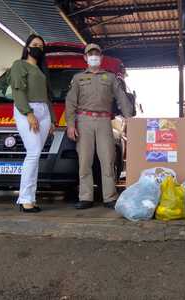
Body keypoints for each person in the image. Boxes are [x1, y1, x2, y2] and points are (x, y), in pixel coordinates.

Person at [65, 43, 133, 209]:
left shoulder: (110, 78)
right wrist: (70, 125)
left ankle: (109, 197)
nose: (93, 57)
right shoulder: (78, 78)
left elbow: (121, 98)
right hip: (83, 121)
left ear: (101, 58)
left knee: (107, 159)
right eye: (90, 54)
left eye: (96, 54)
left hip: (104, 121)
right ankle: (85, 197)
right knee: (85, 160)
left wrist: (129, 117)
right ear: (85, 58)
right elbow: (71, 102)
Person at [8, 34, 56, 213]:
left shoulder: (42, 71)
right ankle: (25, 199)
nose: (38, 48)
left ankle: (31, 198)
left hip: (44, 111)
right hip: (27, 109)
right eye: (35, 45)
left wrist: (52, 120)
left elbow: (48, 97)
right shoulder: (19, 65)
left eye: (41, 46)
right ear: (27, 47)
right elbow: (18, 91)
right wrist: (28, 113)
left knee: (35, 156)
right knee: (34, 153)